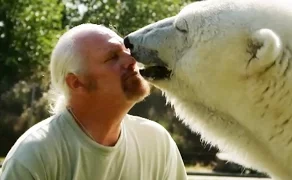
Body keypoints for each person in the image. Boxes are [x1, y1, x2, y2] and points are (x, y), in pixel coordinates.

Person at [0, 23, 187, 180]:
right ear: (77, 82)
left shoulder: (156, 142)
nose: (132, 59)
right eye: (112, 57)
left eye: (126, 51)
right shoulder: (35, 155)